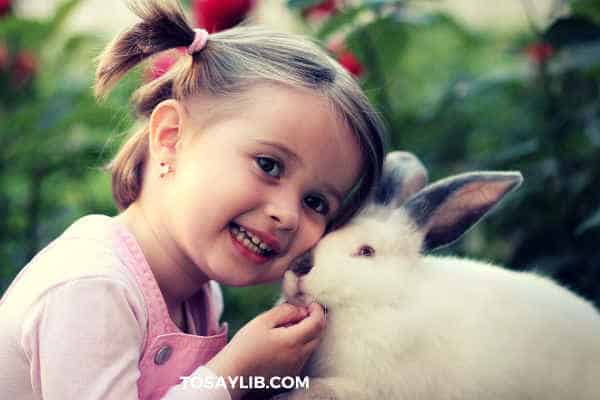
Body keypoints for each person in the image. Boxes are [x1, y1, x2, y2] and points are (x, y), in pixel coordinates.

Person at [0, 1, 386, 399]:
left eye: (317, 203)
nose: (287, 215)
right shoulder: (92, 287)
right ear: (171, 137)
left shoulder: (199, 296)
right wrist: (234, 373)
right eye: (269, 165)